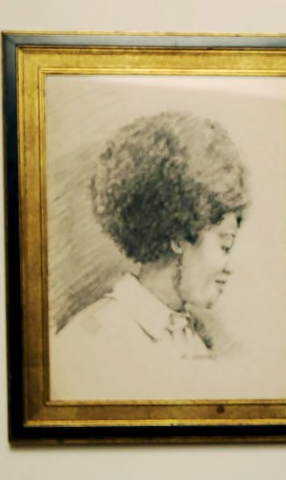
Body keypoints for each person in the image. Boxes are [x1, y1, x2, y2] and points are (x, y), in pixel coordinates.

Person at [51, 111, 249, 399]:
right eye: (224, 245)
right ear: (180, 236)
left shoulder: (193, 340)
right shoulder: (89, 341)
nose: (228, 266)